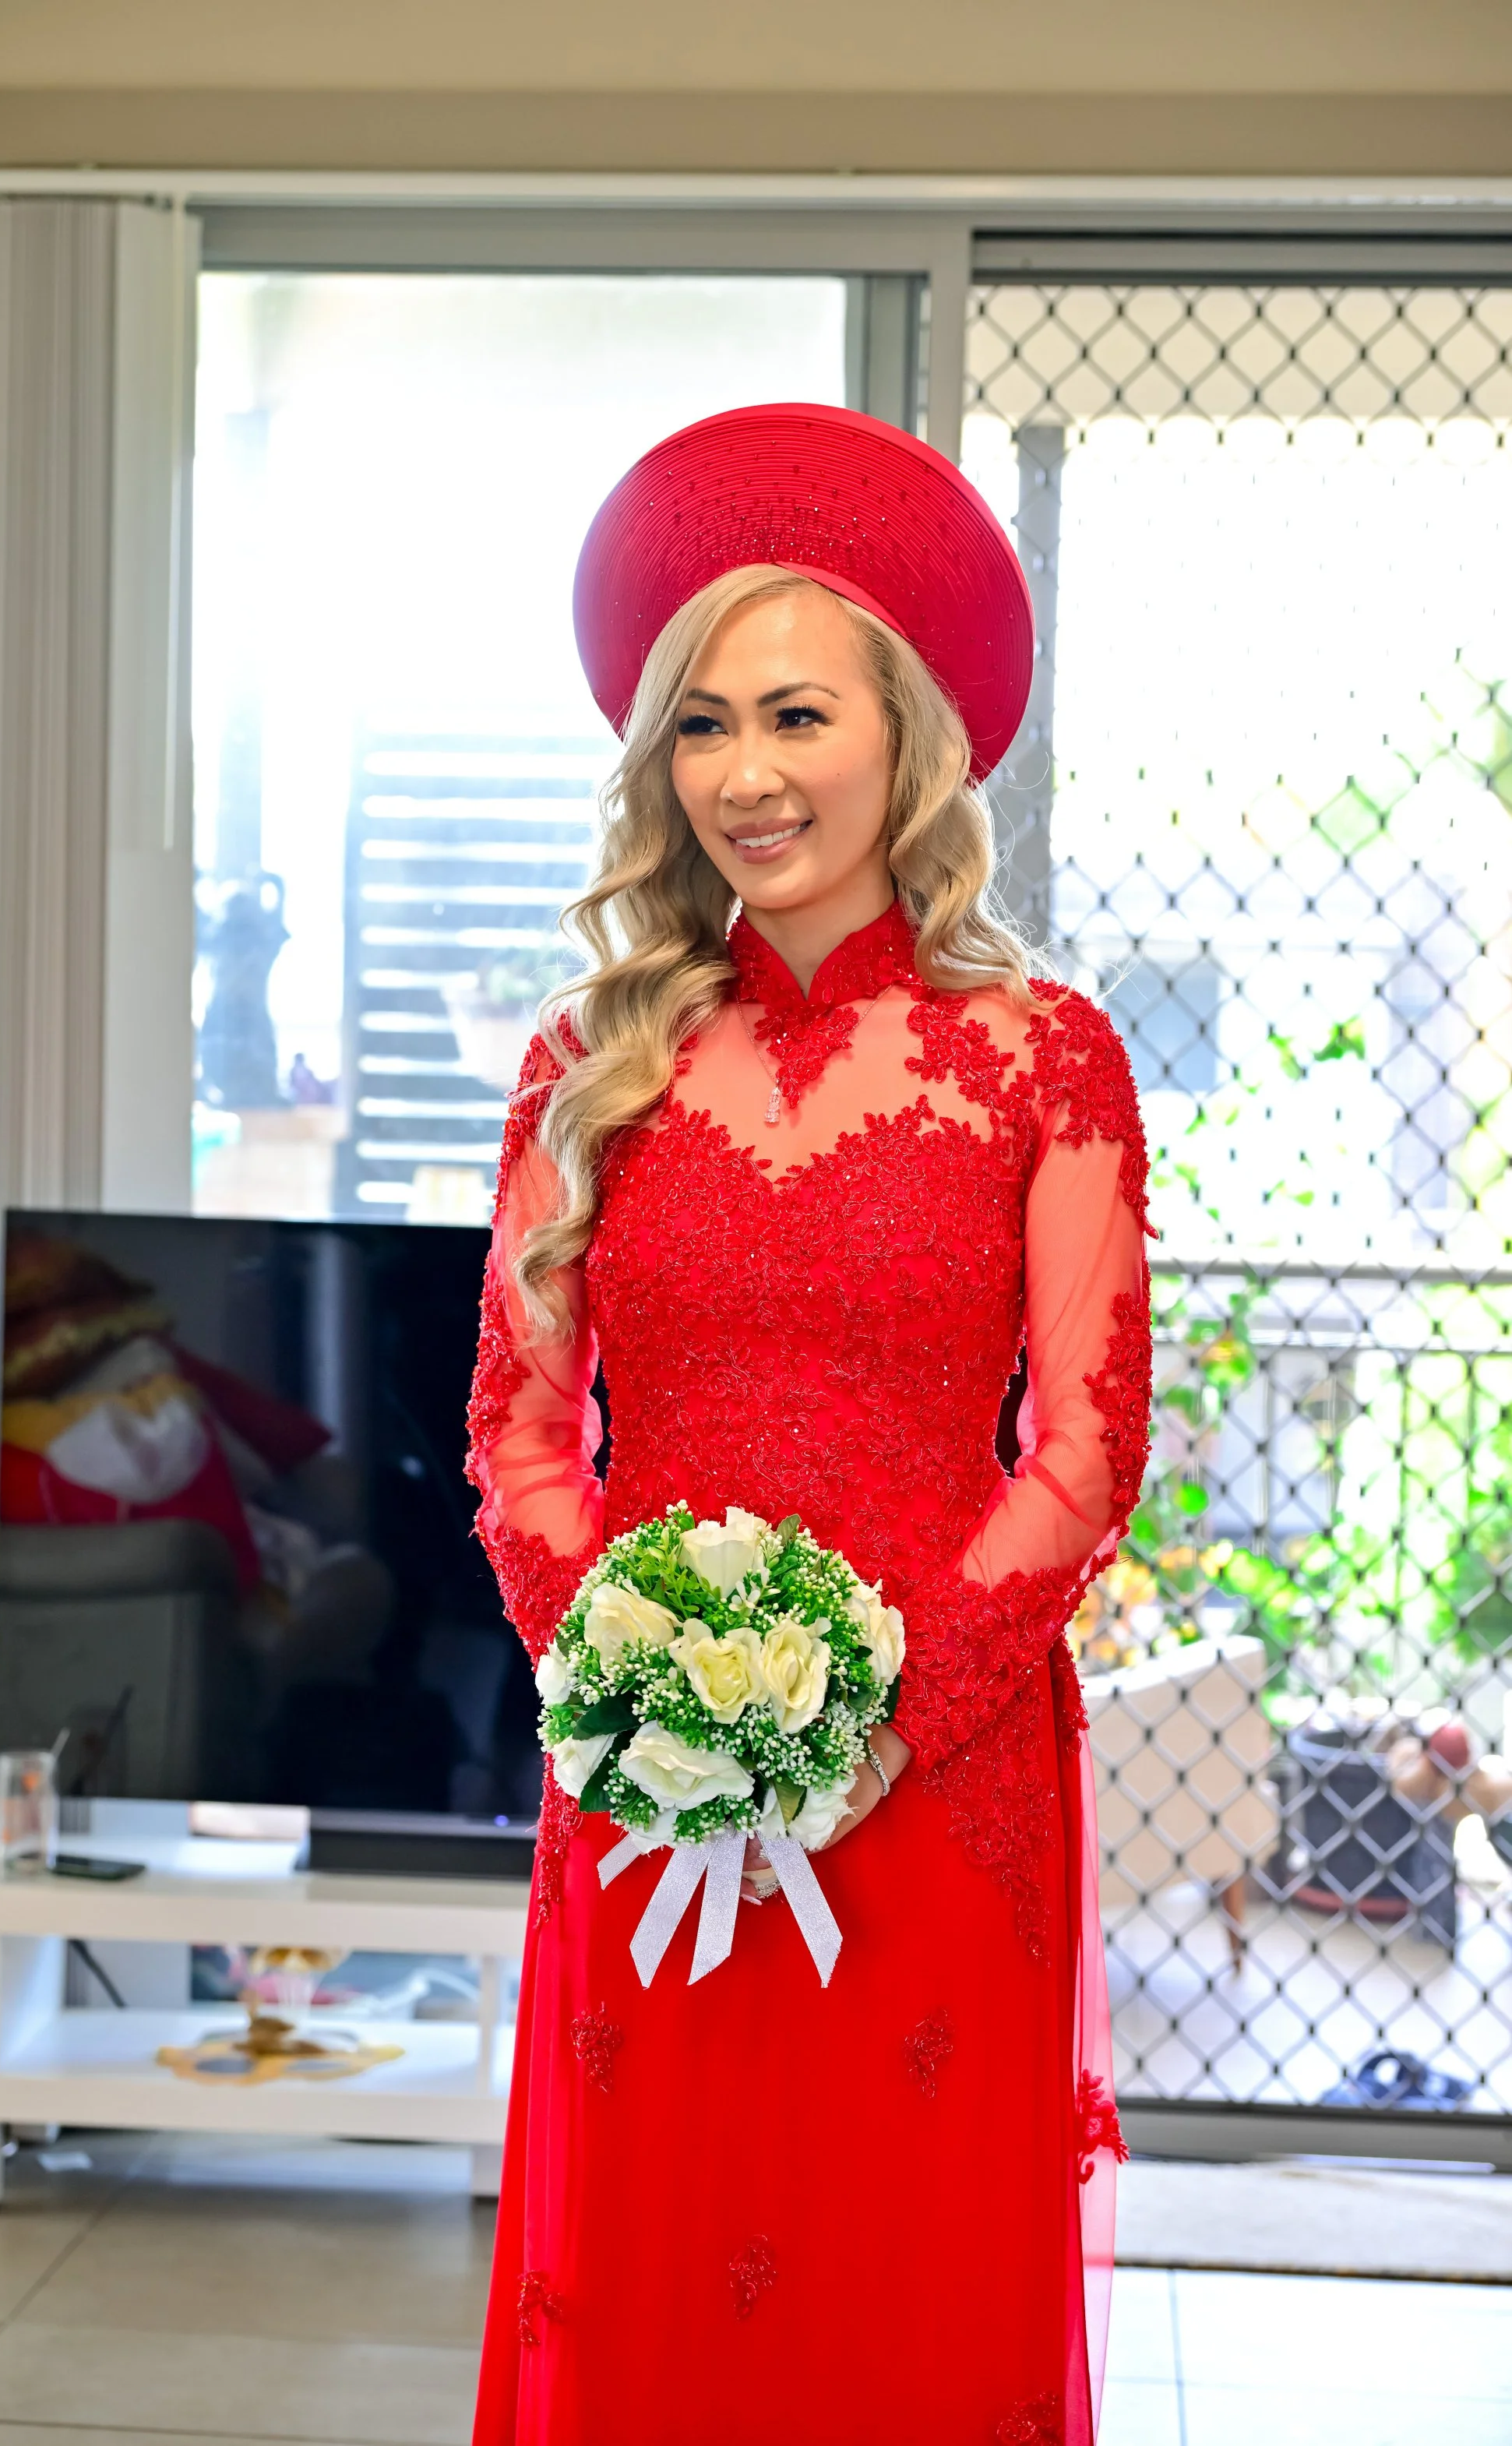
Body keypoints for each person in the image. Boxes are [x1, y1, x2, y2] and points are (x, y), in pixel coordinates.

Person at [465, 404, 1151, 2446]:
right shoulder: (584, 1058)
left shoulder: (1047, 1060)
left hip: (938, 1792)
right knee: (666, 2288)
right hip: (650, 1790)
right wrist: (636, 1698)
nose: (746, 773)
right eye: (698, 724)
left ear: (908, 738)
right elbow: (517, 1433)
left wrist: (870, 1717)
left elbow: (1084, 1449)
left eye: (793, 714)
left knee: (900, 2300)